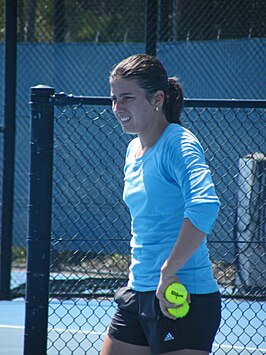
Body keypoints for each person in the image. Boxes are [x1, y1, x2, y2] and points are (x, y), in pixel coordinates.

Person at [101, 54, 221, 355]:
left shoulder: (179, 143)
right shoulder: (133, 149)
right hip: (138, 291)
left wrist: (169, 271)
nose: (118, 108)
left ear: (157, 99)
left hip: (182, 296)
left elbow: (205, 205)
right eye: (114, 98)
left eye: (127, 98)